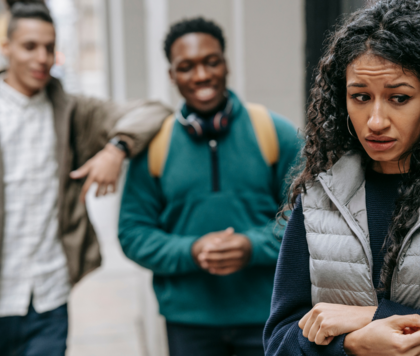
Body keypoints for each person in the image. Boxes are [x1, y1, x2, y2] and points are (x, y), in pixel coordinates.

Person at [264, 0, 420, 355]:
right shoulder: (321, 196)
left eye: (399, 98)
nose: (376, 120)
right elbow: (278, 342)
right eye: (360, 97)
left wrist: (375, 316)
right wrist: (351, 345)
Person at [0, 1, 169, 355]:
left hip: (49, 303)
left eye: (49, 47)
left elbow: (154, 111)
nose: (42, 57)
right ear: (7, 49)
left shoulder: (73, 111)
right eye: (30, 46)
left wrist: (116, 149)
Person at [118, 17, 301, 356]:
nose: (201, 75)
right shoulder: (154, 146)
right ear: (172, 75)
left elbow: (308, 221)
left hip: (268, 316)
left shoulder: (276, 133)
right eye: (186, 67)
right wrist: (192, 250)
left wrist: (251, 246)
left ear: (226, 64)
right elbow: (132, 233)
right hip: (188, 325)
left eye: (211, 62)